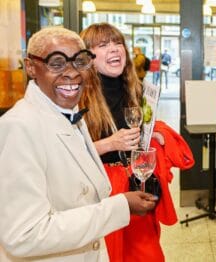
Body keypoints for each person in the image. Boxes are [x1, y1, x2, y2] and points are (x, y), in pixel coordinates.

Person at [0, 27, 156, 262]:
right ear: (31, 67)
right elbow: (24, 234)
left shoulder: (69, 112)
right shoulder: (18, 127)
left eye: (79, 62)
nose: (72, 73)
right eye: (57, 63)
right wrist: (119, 206)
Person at [79, 23, 194, 262]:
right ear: (88, 57)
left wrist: (153, 134)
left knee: (145, 253)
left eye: (117, 43)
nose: (114, 49)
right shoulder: (77, 96)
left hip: (134, 183)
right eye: (103, 45)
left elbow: (140, 131)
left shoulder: (136, 89)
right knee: (108, 254)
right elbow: (64, 153)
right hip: (98, 191)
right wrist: (109, 144)